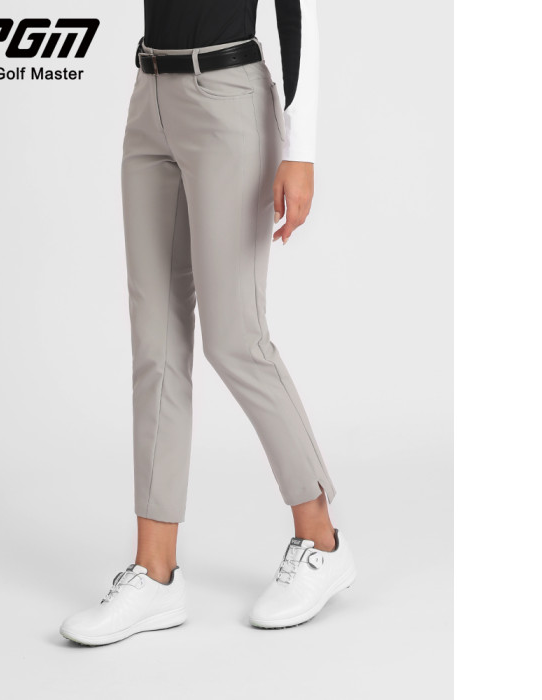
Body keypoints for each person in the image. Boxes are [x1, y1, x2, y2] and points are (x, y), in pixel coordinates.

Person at [60, 0, 356, 646]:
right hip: (150, 97)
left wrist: (300, 148)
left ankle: (321, 540)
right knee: (156, 345)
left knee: (235, 338)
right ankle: (155, 574)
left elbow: (298, 9)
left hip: (226, 97)